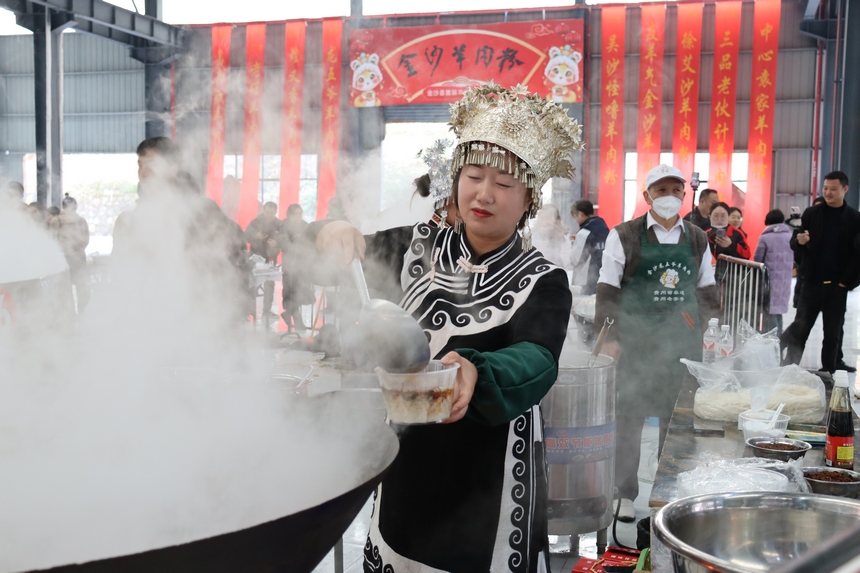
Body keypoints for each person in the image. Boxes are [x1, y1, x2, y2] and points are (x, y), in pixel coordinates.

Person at [303, 84, 580, 571]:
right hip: (406, 461)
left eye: (505, 183)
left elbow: (537, 359)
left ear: (529, 199)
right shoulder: (415, 247)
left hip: (490, 474)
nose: (484, 193)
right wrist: (329, 231)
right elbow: (331, 256)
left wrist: (477, 371)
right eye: (473, 176)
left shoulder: (543, 280)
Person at [595, 164, 719, 523]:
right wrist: (610, 338)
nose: (669, 196)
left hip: (681, 343)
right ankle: (624, 493)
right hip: (634, 343)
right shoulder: (624, 235)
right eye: (660, 189)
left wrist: (711, 335)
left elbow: (707, 289)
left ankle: (668, 494)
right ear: (646, 195)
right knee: (629, 418)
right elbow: (608, 290)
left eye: (675, 190)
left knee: (676, 421)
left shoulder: (696, 237)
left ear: (684, 195)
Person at [781, 171, 860, 374]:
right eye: (825, 188)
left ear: (845, 189)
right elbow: (795, 242)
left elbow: (857, 254)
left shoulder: (854, 218)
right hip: (811, 284)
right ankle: (788, 370)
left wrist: (845, 283)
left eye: (833, 189)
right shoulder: (811, 214)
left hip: (836, 287)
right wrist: (799, 242)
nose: (828, 192)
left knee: (833, 334)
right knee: (801, 329)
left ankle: (828, 372)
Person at [754, 209, 793, 335]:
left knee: (768, 311)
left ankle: (771, 341)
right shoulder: (790, 236)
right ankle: (779, 340)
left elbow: (758, 259)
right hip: (785, 279)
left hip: (768, 280)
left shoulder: (765, 238)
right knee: (777, 311)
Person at [52, 193, 91, 313]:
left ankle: (68, 314)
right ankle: (82, 312)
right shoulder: (81, 220)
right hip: (79, 257)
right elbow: (86, 240)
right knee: (81, 286)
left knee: (64, 288)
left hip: (63, 258)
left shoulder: (56, 220)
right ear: (75, 207)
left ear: (63, 206)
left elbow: (52, 240)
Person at [245, 201, 282, 319]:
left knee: (269, 285)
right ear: (263, 211)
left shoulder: (279, 225)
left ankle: (267, 310)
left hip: (271, 258)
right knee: (251, 285)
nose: (269, 215)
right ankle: (248, 311)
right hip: (256, 258)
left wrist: (277, 243)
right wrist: (255, 236)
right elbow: (244, 238)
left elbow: (285, 241)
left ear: (276, 212)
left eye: (272, 213)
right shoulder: (255, 223)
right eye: (267, 212)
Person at [279, 203, 312, 333]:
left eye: (300, 214)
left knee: (299, 292)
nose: (298, 217)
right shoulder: (284, 226)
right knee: (290, 291)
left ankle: (289, 315)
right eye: (295, 214)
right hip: (290, 264)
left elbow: (310, 241)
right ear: (289, 215)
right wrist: (296, 245)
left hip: (302, 264)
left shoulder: (305, 225)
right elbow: (284, 243)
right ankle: (296, 319)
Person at [570, 198, 609, 294]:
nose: (576, 220)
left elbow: (575, 259)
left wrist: (573, 244)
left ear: (580, 214)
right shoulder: (604, 228)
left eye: (575, 217)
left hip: (587, 280)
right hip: (604, 276)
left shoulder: (584, 233)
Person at [707, 201, 751, 283]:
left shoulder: (737, 233)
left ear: (727, 217)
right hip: (709, 278)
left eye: (723, 216)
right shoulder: (704, 234)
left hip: (733, 279)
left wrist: (731, 246)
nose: (719, 219)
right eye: (716, 215)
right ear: (709, 216)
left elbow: (747, 254)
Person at [532, 204, 571, 269]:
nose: (546, 221)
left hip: (555, 274)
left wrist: (552, 254)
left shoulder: (563, 238)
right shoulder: (531, 235)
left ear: (556, 220)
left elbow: (566, 260)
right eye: (543, 218)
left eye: (549, 218)